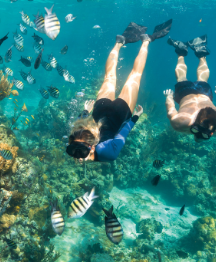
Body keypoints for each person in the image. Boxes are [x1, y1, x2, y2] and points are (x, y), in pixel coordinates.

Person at [66, 19, 172, 161]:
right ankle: (119, 42)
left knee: (135, 76)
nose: (78, 158)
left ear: (91, 147)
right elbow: (77, 125)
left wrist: (135, 117)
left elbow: (123, 133)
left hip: (120, 114)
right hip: (100, 110)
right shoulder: (76, 137)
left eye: (76, 152)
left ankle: (146, 41)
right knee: (109, 77)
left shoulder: (108, 154)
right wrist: (85, 112)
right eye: (75, 152)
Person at [164, 35, 216, 139]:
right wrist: (169, 97)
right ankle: (181, 52)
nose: (199, 133)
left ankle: (199, 52)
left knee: (202, 79)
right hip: (185, 93)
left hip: (204, 92)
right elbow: (171, 110)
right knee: (181, 78)